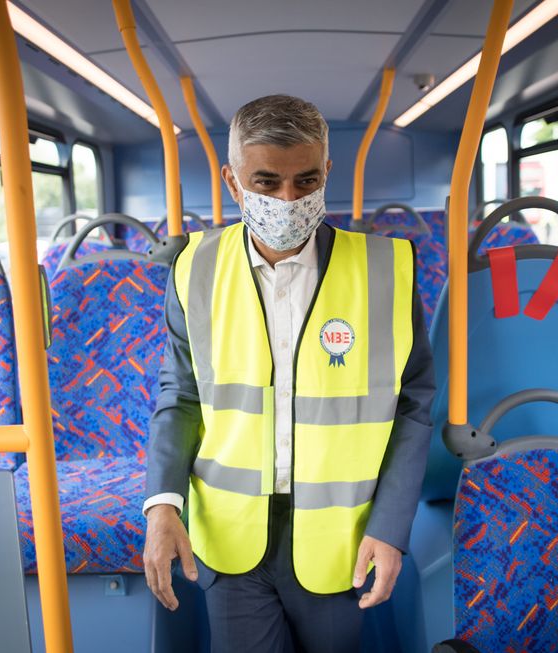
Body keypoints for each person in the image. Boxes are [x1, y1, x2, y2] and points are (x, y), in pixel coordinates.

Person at [142, 94, 434, 653]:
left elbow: (413, 405)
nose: (287, 199)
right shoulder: (193, 268)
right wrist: (162, 505)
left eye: (305, 181)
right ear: (232, 182)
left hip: (339, 536)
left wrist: (392, 526)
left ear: (327, 172)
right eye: (266, 182)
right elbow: (180, 396)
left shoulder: (386, 270)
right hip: (229, 534)